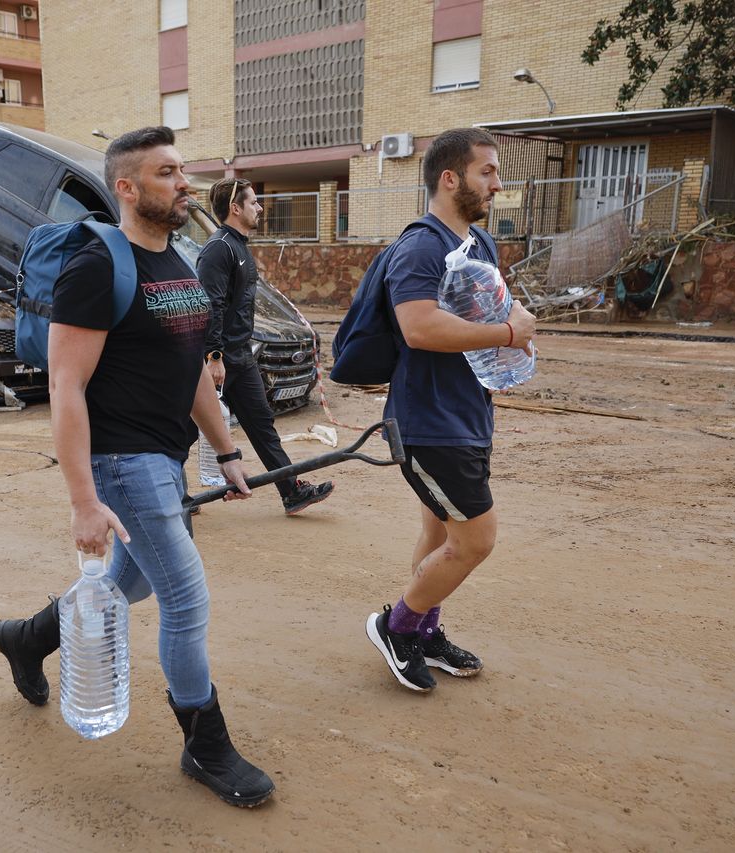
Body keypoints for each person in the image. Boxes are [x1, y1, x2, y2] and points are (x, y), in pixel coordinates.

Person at [0, 127, 275, 808]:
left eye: (182, 170)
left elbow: (196, 372)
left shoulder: (177, 262)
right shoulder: (97, 266)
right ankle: (205, 744)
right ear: (128, 187)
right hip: (121, 463)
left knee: (128, 585)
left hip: (165, 458)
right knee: (185, 597)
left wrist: (228, 453)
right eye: (167, 171)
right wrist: (83, 499)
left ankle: (25, 639)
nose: (184, 183)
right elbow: (64, 385)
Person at [364, 128, 536, 693]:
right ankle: (398, 626)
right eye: (487, 171)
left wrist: (508, 331)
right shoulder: (420, 246)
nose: (497, 182)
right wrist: (510, 332)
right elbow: (419, 327)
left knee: (440, 535)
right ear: (450, 177)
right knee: (475, 540)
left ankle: (423, 632)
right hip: (429, 423)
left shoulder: (477, 244)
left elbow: (480, 317)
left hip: (467, 413)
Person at [198, 178, 334, 515]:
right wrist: (213, 356)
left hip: (241, 358)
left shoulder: (239, 247)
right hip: (220, 360)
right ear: (235, 208)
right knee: (184, 427)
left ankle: (291, 491)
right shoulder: (219, 249)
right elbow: (210, 305)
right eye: (254, 202)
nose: (260, 208)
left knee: (262, 426)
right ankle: (168, 494)